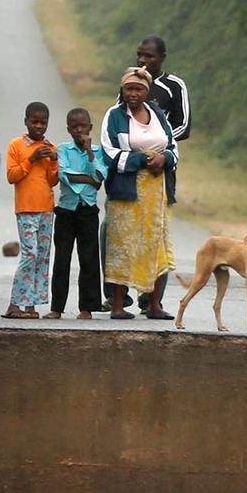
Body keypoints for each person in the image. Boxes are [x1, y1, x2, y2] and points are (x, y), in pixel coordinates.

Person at [100, 67, 177, 320]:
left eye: (138, 89)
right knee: (123, 245)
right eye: (128, 89)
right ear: (122, 90)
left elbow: (172, 145)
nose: (133, 94)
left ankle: (154, 304)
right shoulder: (114, 115)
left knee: (156, 244)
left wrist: (164, 159)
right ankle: (118, 305)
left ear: (147, 91)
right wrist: (141, 161)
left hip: (157, 191)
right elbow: (108, 152)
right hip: (127, 191)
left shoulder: (156, 114)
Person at [134, 35, 190, 314]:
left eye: (149, 56)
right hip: (132, 169)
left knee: (159, 233)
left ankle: (152, 300)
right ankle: (117, 293)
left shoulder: (174, 86)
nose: (143, 61)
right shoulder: (129, 82)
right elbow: (118, 122)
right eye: (140, 55)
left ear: (162, 58)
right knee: (124, 231)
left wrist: (159, 146)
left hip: (161, 169)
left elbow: (184, 126)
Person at [4, 101, 60, 318]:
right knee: (30, 253)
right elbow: (12, 176)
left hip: (46, 208)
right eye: (34, 121)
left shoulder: (50, 147)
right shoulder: (17, 145)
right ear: (26, 121)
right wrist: (32, 159)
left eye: (43, 123)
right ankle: (14, 304)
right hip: (26, 208)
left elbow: (52, 181)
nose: (38, 126)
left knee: (42, 257)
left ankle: (31, 305)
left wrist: (53, 162)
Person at [52, 107, 107, 320]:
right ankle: (57, 307)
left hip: (88, 212)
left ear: (90, 128)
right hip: (66, 211)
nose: (79, 130)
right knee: (62, 258)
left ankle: (87, 307)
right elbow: (64, 174)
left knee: (89, 258)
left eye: (83, 126)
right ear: (68, 129)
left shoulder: (98, 151)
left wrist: (90, 154)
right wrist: (89, 179)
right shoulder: (63, 149)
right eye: (74, 126)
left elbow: (101, 175)